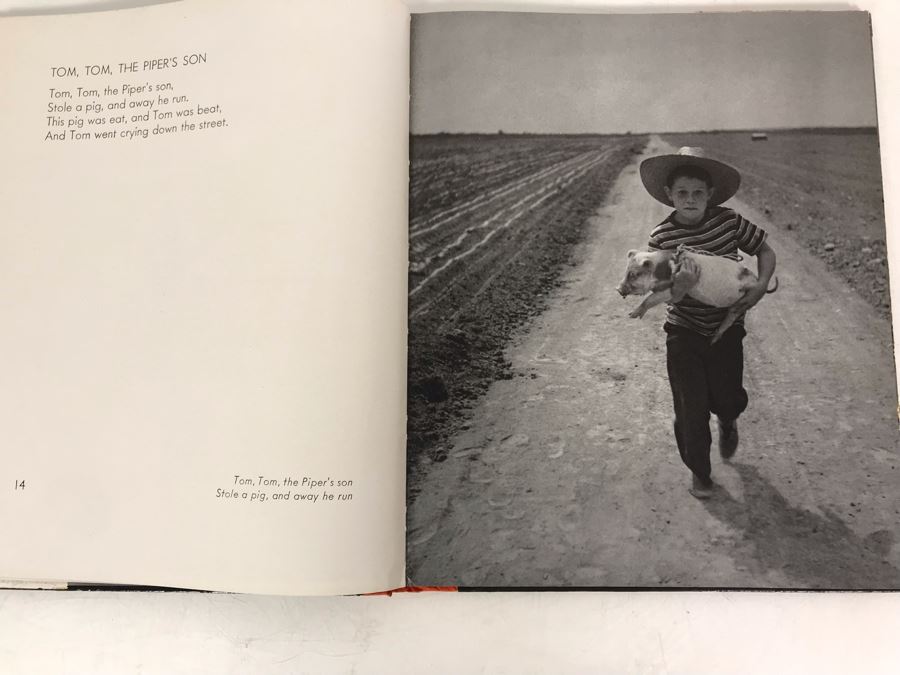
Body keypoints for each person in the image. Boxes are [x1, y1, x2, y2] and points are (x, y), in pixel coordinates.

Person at [639, 146, 777, 499]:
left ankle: (728, 419)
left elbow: (765, 250)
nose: (690, 200)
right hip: (683, 331)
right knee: (690, 406)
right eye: (682, 193)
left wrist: (760, 286)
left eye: (698, 193)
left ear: (710, 194)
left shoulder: (728, 222)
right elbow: (661, 289)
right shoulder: (662, 238)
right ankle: (700, 472)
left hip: (727, 329)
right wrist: (679, 288)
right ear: (669, 194)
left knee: (727, 398)